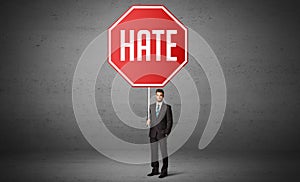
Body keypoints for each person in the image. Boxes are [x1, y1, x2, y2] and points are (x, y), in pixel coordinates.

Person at [146, 89, 173, 178]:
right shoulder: (151, 106)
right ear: (155, 96)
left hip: (162, 133)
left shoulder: (167, 107)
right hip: (153, 133)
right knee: (154, 152)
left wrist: (166, 132)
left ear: (163, 96)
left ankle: (164, 170)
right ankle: (155, 169)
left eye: (160, 95)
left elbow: (169, 121)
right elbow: (150, 117)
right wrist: (148, 120)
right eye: (157, 95)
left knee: (163, 152)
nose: (159, 97)